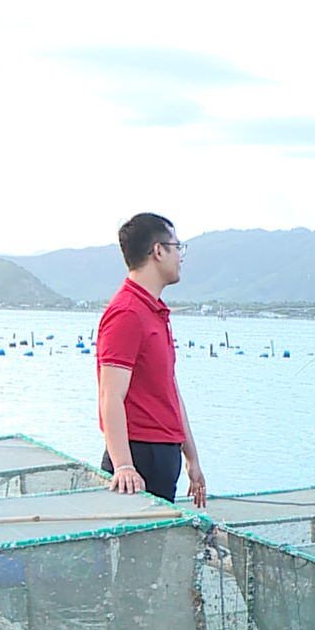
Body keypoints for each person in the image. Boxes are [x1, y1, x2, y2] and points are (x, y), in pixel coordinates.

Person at [96, 213, 206, 507]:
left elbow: (169, 390)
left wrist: (191, 457)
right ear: (158, 251)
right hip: (139, 455)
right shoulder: (128, 312)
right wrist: (123, 466)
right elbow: (110, 395)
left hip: (163, 453)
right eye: (177, 247)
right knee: (134, 550)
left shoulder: (154, 311)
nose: (181, 257)